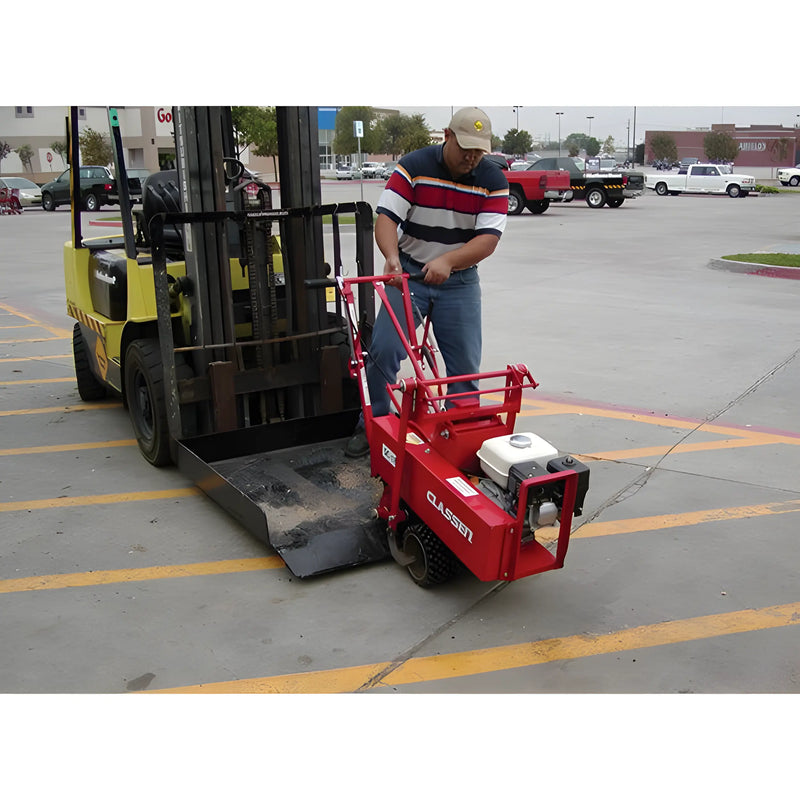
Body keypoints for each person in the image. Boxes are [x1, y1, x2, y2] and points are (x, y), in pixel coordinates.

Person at [345, 107, 509, 457]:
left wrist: (449, 261)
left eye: (479, 151)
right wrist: (391, 258)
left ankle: (459, 439)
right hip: (410, 274)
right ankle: (373, 423)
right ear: (446, 135)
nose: (471, 157)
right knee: (384, 351)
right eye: (466, 147)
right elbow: (387, 217)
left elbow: (488, 239)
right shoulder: (415, 166)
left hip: (460, 280)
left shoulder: (493, 179)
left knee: (464, 366)